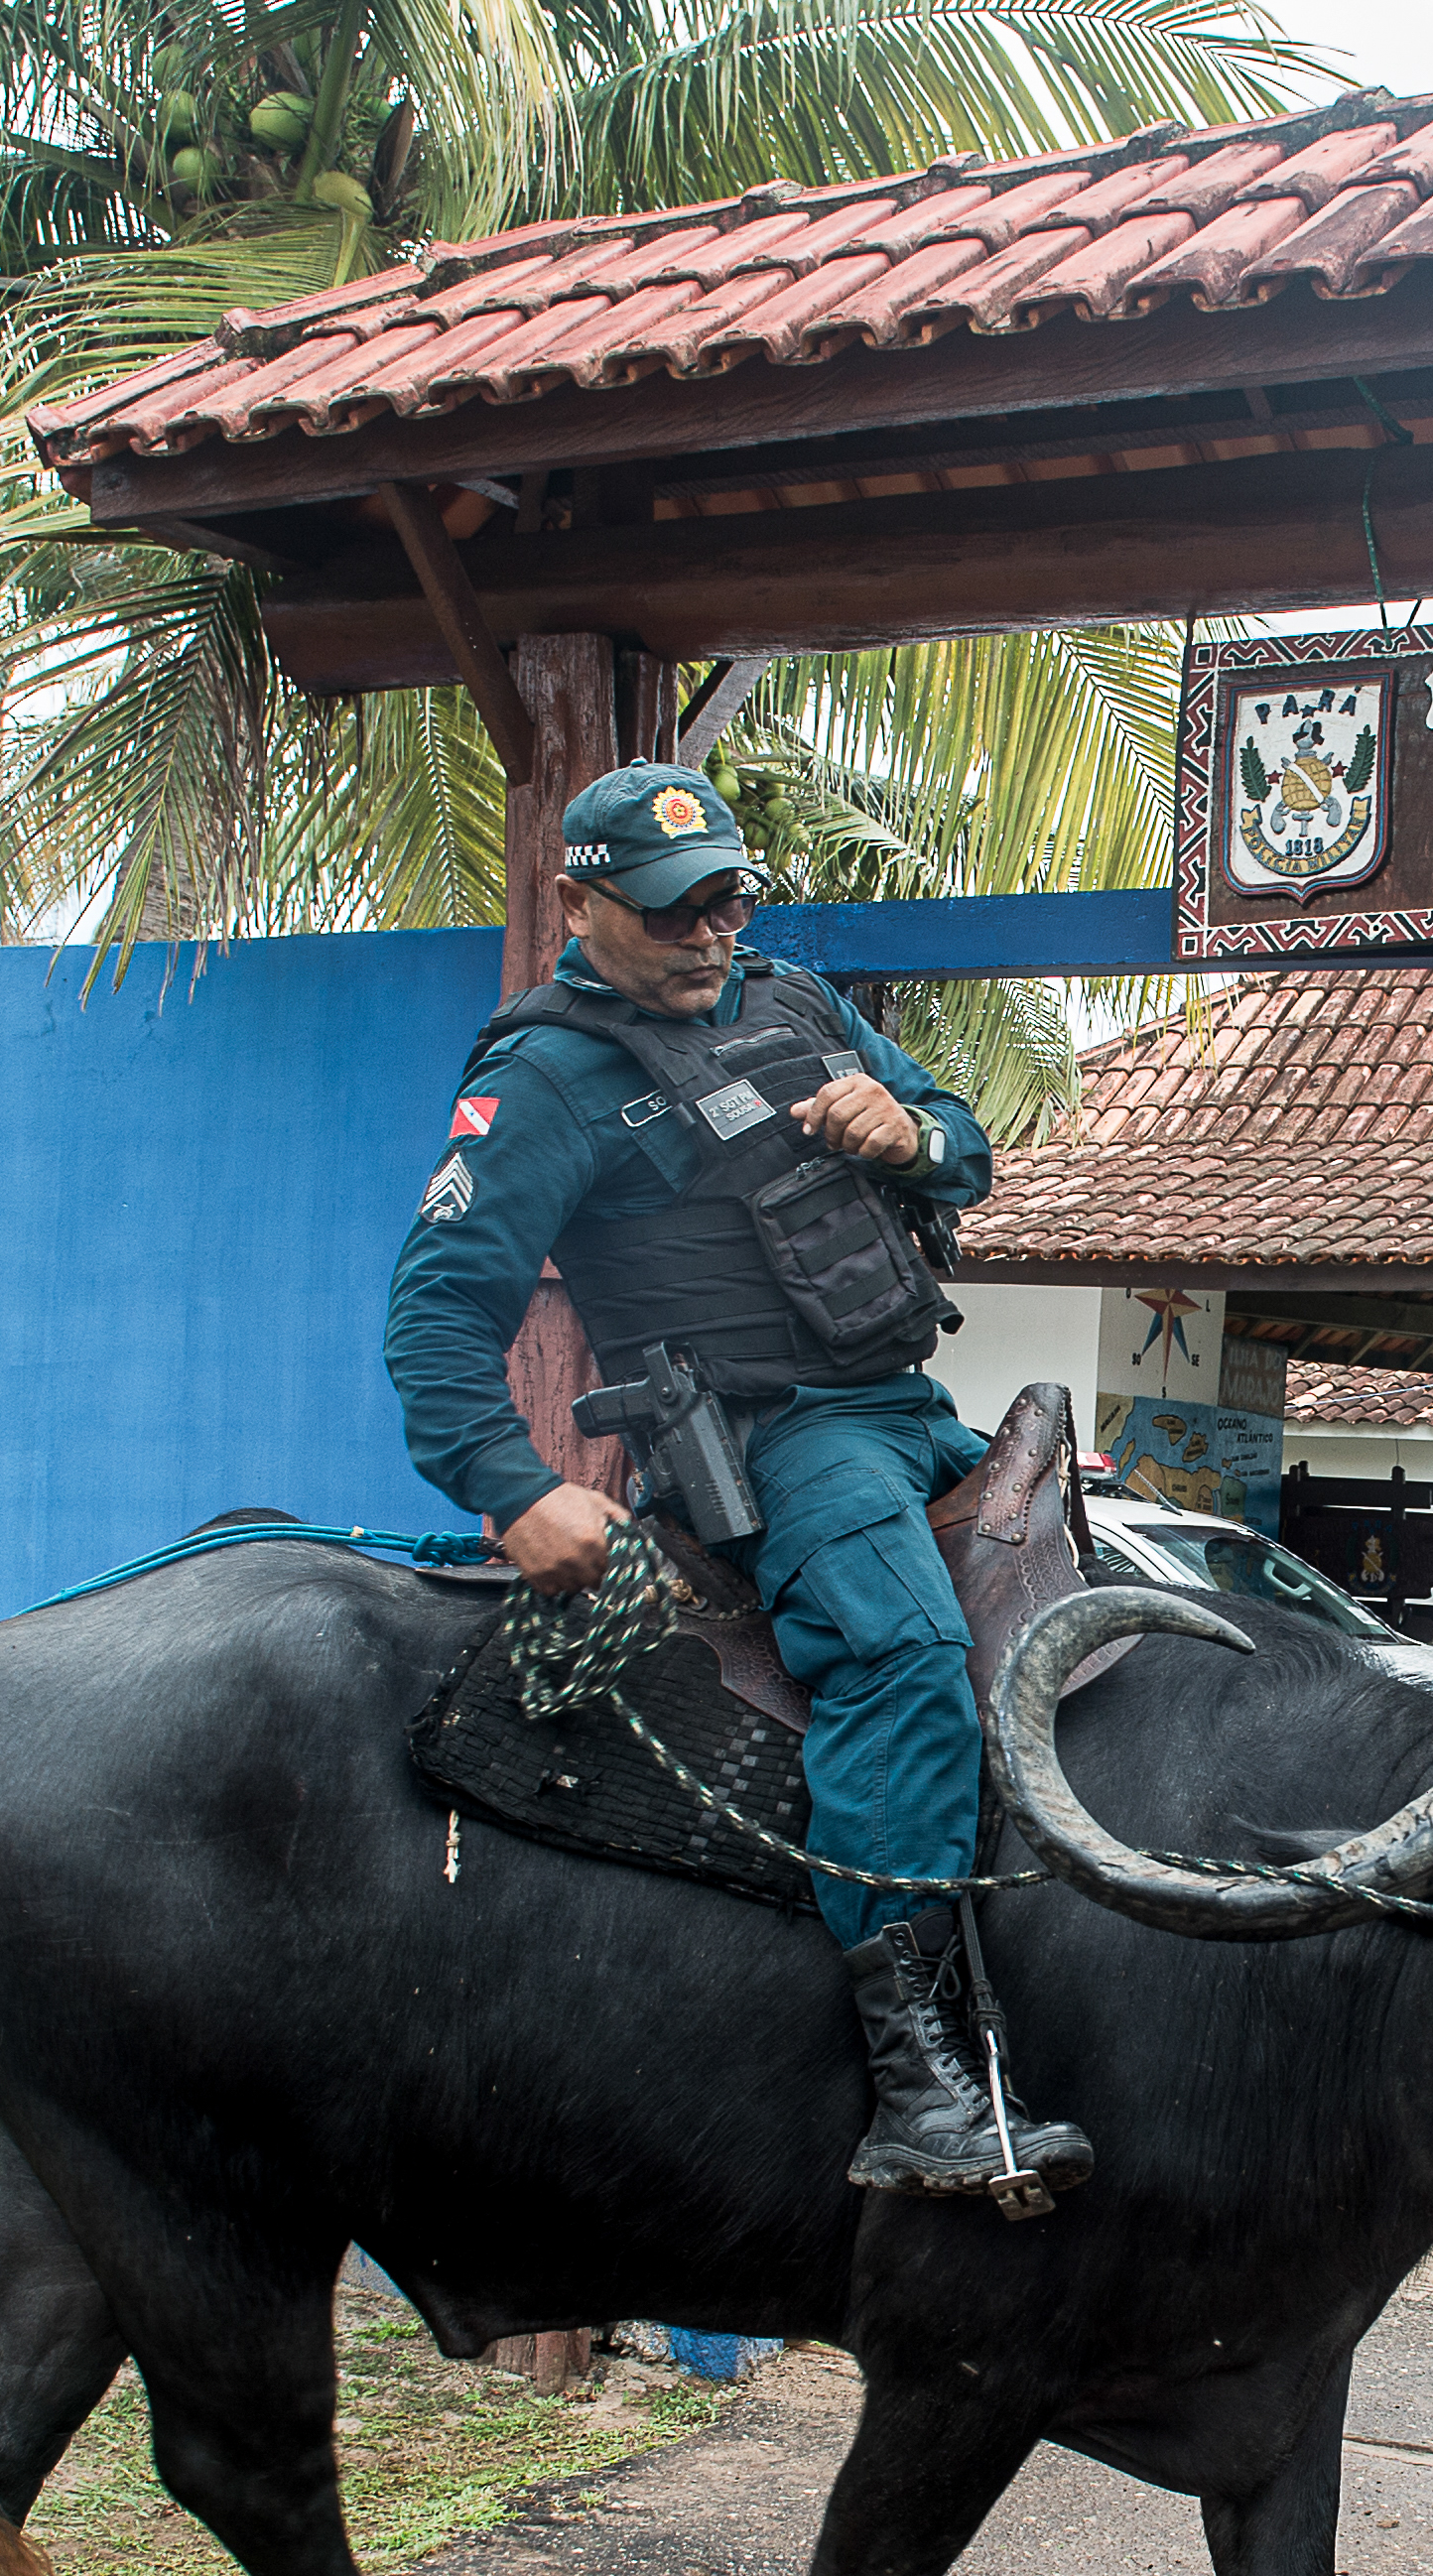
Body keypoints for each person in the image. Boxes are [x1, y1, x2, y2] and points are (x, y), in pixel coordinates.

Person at [385, 764, 1090, 2202]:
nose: (705, 935)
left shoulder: (796, 1003)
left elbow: (966, 1141)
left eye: (724, 901)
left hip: (907, 1410)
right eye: (667, 912)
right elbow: (436, 1317)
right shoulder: (542, 1081)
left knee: (1101, 1568)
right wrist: (513, 1488)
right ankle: (922, 2084)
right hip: (779, 1442)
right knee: (901, 1654)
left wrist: (920, 1136)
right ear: (577, 903)